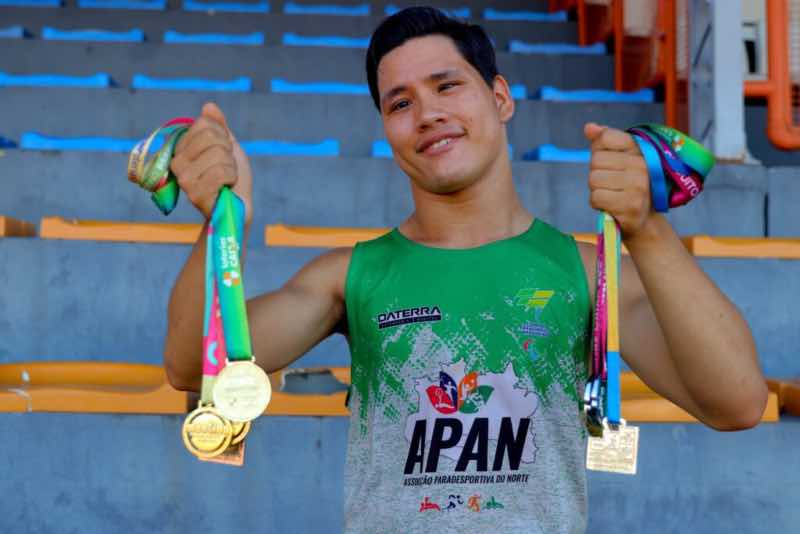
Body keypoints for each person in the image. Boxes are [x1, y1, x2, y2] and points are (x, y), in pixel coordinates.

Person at [163, 7, 768, 533]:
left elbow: (738, 402)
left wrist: (646, 228)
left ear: (500, 98)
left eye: (447, 85)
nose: (427, 113)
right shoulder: (347, 277)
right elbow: (192, 365)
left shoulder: (589, 272)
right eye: (401, 103)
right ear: (387, 130)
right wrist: (224, 223)